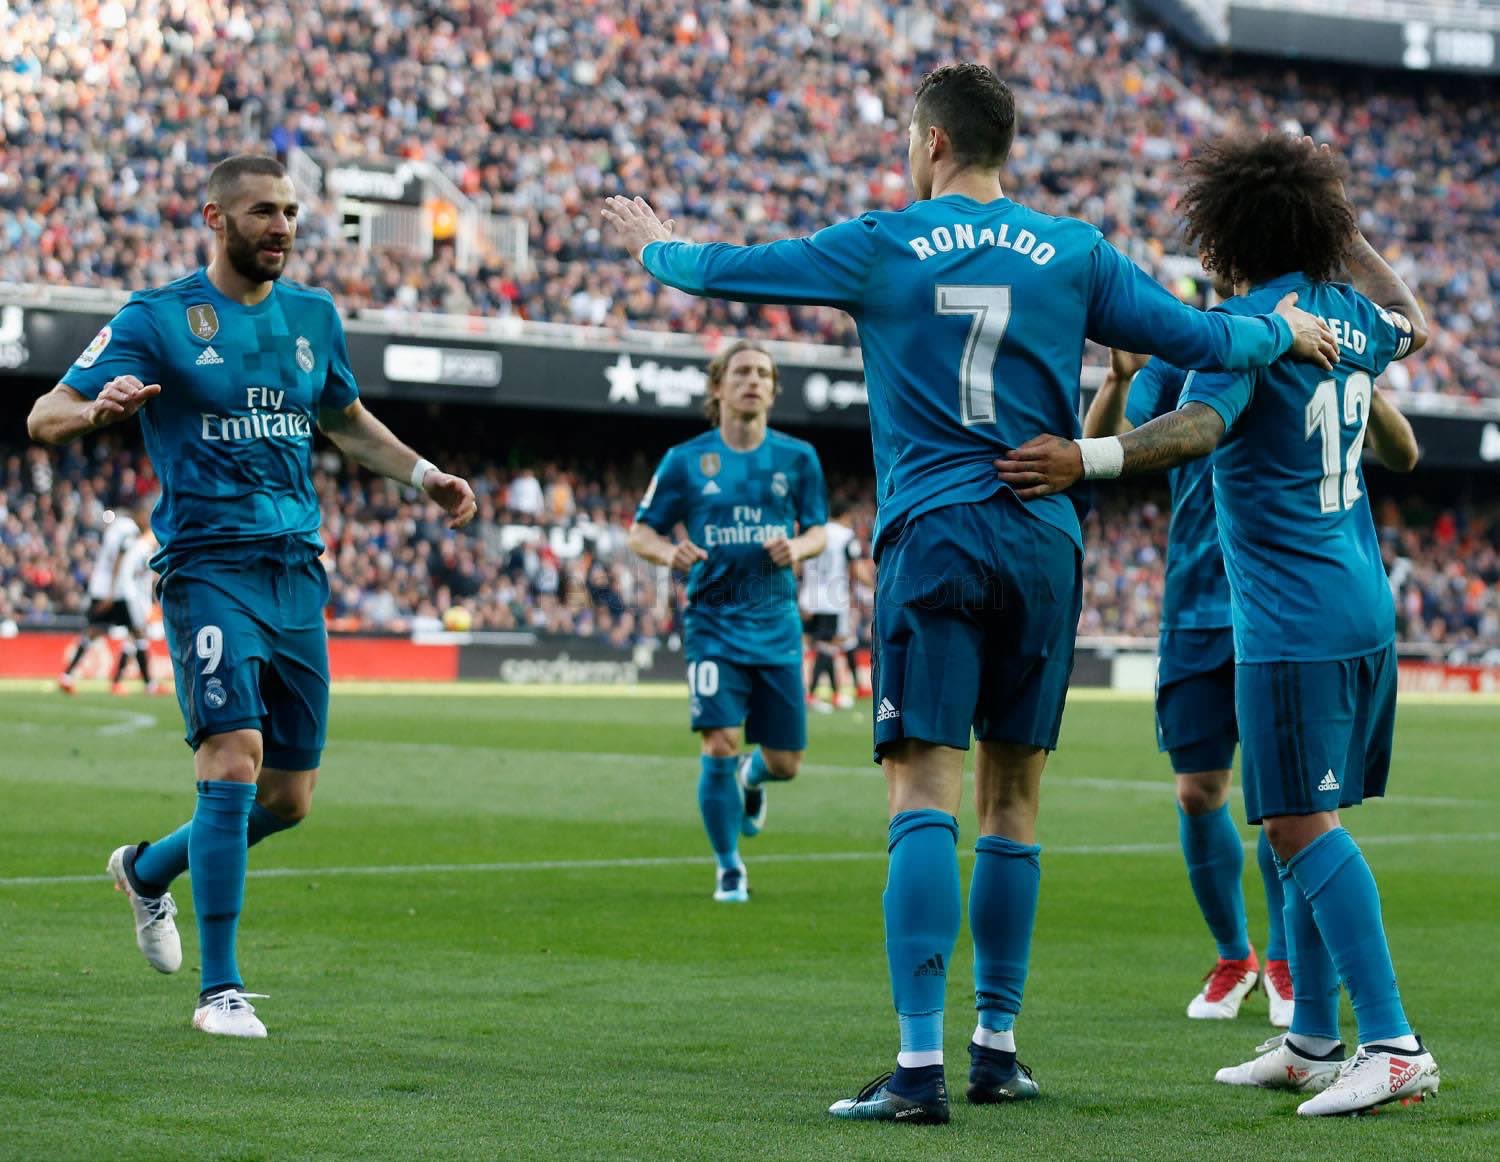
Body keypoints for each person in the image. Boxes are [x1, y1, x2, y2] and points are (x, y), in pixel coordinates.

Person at [604, 62, 1338, 1123]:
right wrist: (1284, 332)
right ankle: (996, 1048)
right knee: (1013, 803)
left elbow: (722, 270)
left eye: (912, 140)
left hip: (937, 535)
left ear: (934, 141)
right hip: (1043, 540)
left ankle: (917, 1068)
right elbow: (1205, 338)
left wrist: (651, 243)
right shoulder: (1076, 250)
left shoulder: (884, 241)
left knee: (921, 799)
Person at [996, 134, 1437, 1117]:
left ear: (1229, 234)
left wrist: (1087, 459)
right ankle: (1313, 1037)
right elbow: (1415, 321)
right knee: (1299, 823)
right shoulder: (1351, 315)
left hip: (1291, 617)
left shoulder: (1246, 325)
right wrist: (1350, 237)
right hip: (1358, 603)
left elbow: (1200, 427)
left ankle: (1394, 1042)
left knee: (1297, 826)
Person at [27, 154, 477, 1039]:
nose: (282, 227)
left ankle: (146, 871)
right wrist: (96, 413)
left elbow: (345, 421)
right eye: (264, 211)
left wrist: (425, 475)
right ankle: (221, 991)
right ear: (215, 218)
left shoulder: (313, 317)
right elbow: (46, 414)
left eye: (291, 213)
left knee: (288, 798)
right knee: (232, 758)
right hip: (207, 568)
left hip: (296, 572)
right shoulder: (158, 317)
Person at [628, 340, 828, 902]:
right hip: (712, 623)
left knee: (785, 763)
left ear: (773, 389)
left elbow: (818, 528)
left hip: (776, 622)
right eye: (741, 372)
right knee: (718, 742)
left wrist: (799, 547)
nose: (753, 381)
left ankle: (752, 777)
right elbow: (640, 532)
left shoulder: (798, 458)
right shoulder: (685, 460)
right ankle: (728, 866)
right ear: (718, 387)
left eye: (763, 374)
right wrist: (669, 553)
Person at [59, 500, 145, 693]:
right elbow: (119, 559)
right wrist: (112, 593)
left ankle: (67, 675)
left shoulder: (113, 528)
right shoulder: (129, 528)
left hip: (101, 587)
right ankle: (135, 683)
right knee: (137, 632)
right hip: (116, 590)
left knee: (95, 630)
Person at [800, 499, 861, 711]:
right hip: (831, 599)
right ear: (845, 516)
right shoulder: (846, 536)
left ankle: (826, 694)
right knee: (829, 646)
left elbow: (799, 565)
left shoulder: (813, 533)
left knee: (809, 645)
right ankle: (812, 694)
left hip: (808, 597)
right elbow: (855, 569)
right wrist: (874, 586)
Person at [108, 504, 164, 696]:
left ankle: (118, 681)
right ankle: (149, 684)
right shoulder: (142, 549)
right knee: (139, 635)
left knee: (134, 638)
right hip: (132, 598)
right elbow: (134, 575)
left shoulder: (141, 548)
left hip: (134, 597)